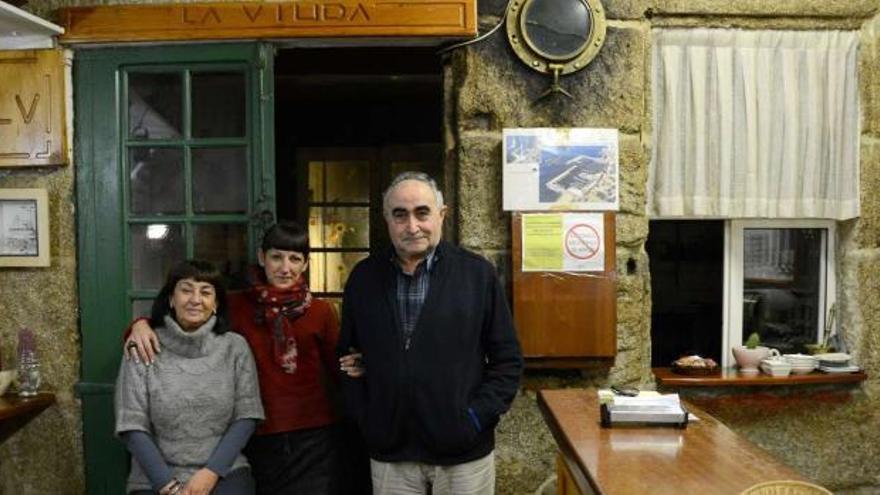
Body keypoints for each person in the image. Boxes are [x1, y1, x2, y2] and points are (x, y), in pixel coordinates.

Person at [125, 221, 368, 494]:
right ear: (262, 258)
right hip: (258, 434)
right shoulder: (238, 305)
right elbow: (193, 317)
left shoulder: (320, 312)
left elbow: (338, 368)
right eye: (276, 257)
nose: (285, 267)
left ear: (306, 264)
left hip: (313, 435)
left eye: (294, 259)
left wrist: (363, 368)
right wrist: (139, 325)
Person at [337, 171, 524, 494]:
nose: (412, 226)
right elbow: (347, 358)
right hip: (391, 453)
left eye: (422, 213)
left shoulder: (477, 274)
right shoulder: (364, 278)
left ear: (442, 215)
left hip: (463, 454)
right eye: (400, 215)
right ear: (387, 219)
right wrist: (368, 419)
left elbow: (508, 361)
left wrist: (475, 419)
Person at [115, 259, 264, 495]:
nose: (195, 299)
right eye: (186, 290)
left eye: (205, 292)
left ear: (215, 303)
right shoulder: (143, 345)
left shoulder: (235, 348)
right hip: (154, 478)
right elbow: (131, 425)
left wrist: (210, 473)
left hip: (223, 472)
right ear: (171, 299)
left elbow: (247, 416)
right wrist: (167, 485)